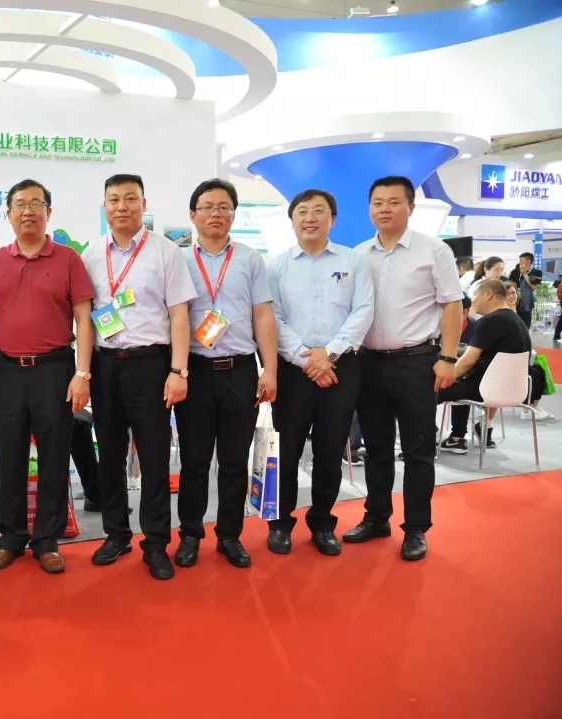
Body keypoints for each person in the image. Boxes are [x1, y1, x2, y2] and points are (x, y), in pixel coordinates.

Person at [82, 174, 196, 580]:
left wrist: (178, 370)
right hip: (105, 364)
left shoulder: (165, 251)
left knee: (153, 457)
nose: (122, 206)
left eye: (130, 198)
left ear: (143, 204)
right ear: (105, 205)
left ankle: (156, 543)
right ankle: (116, 535)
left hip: (151, 364)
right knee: (110, 454)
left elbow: (179, 315)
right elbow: (85, 317)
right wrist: (84, 371)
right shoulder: (91, 254)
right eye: (114, 199)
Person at [346, 176, 463, 562]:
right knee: (376, 447)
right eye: (377, 202)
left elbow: (452, 305)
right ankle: (376, 517)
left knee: (417, 450)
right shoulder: (359, 254)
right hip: (368, 363)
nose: (385, 209)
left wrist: (448, 358)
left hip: (416, 362)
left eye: (394, 202)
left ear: (411, 207)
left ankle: (415, 528)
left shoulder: (434, 250)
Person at [0, 179, 95, 574]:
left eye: (36, 203)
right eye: (20, 204)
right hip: (9, 370)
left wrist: (82, 373)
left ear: (49, 211)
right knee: (9, 455)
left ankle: (47, 540)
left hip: (55, 369)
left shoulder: (68, 259)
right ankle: (10, 537)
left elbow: (84, 318)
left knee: (54, 456)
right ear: (8, 214)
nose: (28, 211)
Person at [171, 178, 277, 571]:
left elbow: (262, 315)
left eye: (224, 207)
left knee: (234, 461)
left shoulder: (250, 259)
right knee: (194, 462)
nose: (216, 214)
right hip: (195, 370)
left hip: (239, 370)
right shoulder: (178, 260)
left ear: (234, 214)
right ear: (192, 214)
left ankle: (230, 535)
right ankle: (190, 535)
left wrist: (270, 369)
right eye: (208, 207)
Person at [267, 189, 373, 556]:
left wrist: (327, 354)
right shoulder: (277, 267)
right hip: (293, 370)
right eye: (302, 211)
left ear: (333, 219)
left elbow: (363, 310)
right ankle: (280, 523)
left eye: (318, 211)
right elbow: (273, 318)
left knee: (330, 449)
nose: (310, 218)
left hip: (340, 367)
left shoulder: (353, 261)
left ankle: (323, 523)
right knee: (287, 450)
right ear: (292, 220)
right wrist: (307, 360)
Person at [437, 279, 531, 453]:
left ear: (488, 294)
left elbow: (467, 362)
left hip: (485, 388)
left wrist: (441, 377)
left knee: (427, 390)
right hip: (515, 389)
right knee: (459, 383)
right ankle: (456, 438)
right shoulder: (518, 321)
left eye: (475, 294)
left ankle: (425, 438)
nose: (473, 300)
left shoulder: (489, 321)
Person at [508, 252, 542, 328]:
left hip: (527, 301)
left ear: (528, 261)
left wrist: (524, 274)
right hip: (514, 300)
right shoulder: (515, 272)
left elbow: (534, 287)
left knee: (525, 322)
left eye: (521, 260)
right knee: (514, 321)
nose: (520, 262)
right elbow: (509, 284)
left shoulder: (537, 272)